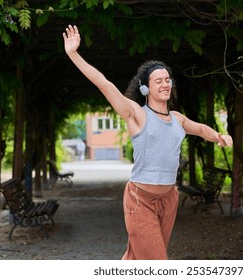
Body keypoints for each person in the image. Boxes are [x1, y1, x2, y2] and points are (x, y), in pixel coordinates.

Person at [63, 25, 233, 260]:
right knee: (157, 261)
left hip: (169, 200)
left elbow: (201, 129)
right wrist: (73, 54)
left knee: (137, 259)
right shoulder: (136, 114)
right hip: (140, 200)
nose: (165, 84)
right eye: (158, 81)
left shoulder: (177, 119)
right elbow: (104, 83)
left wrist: (219, 137)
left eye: (167, 80)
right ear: (145, 88)